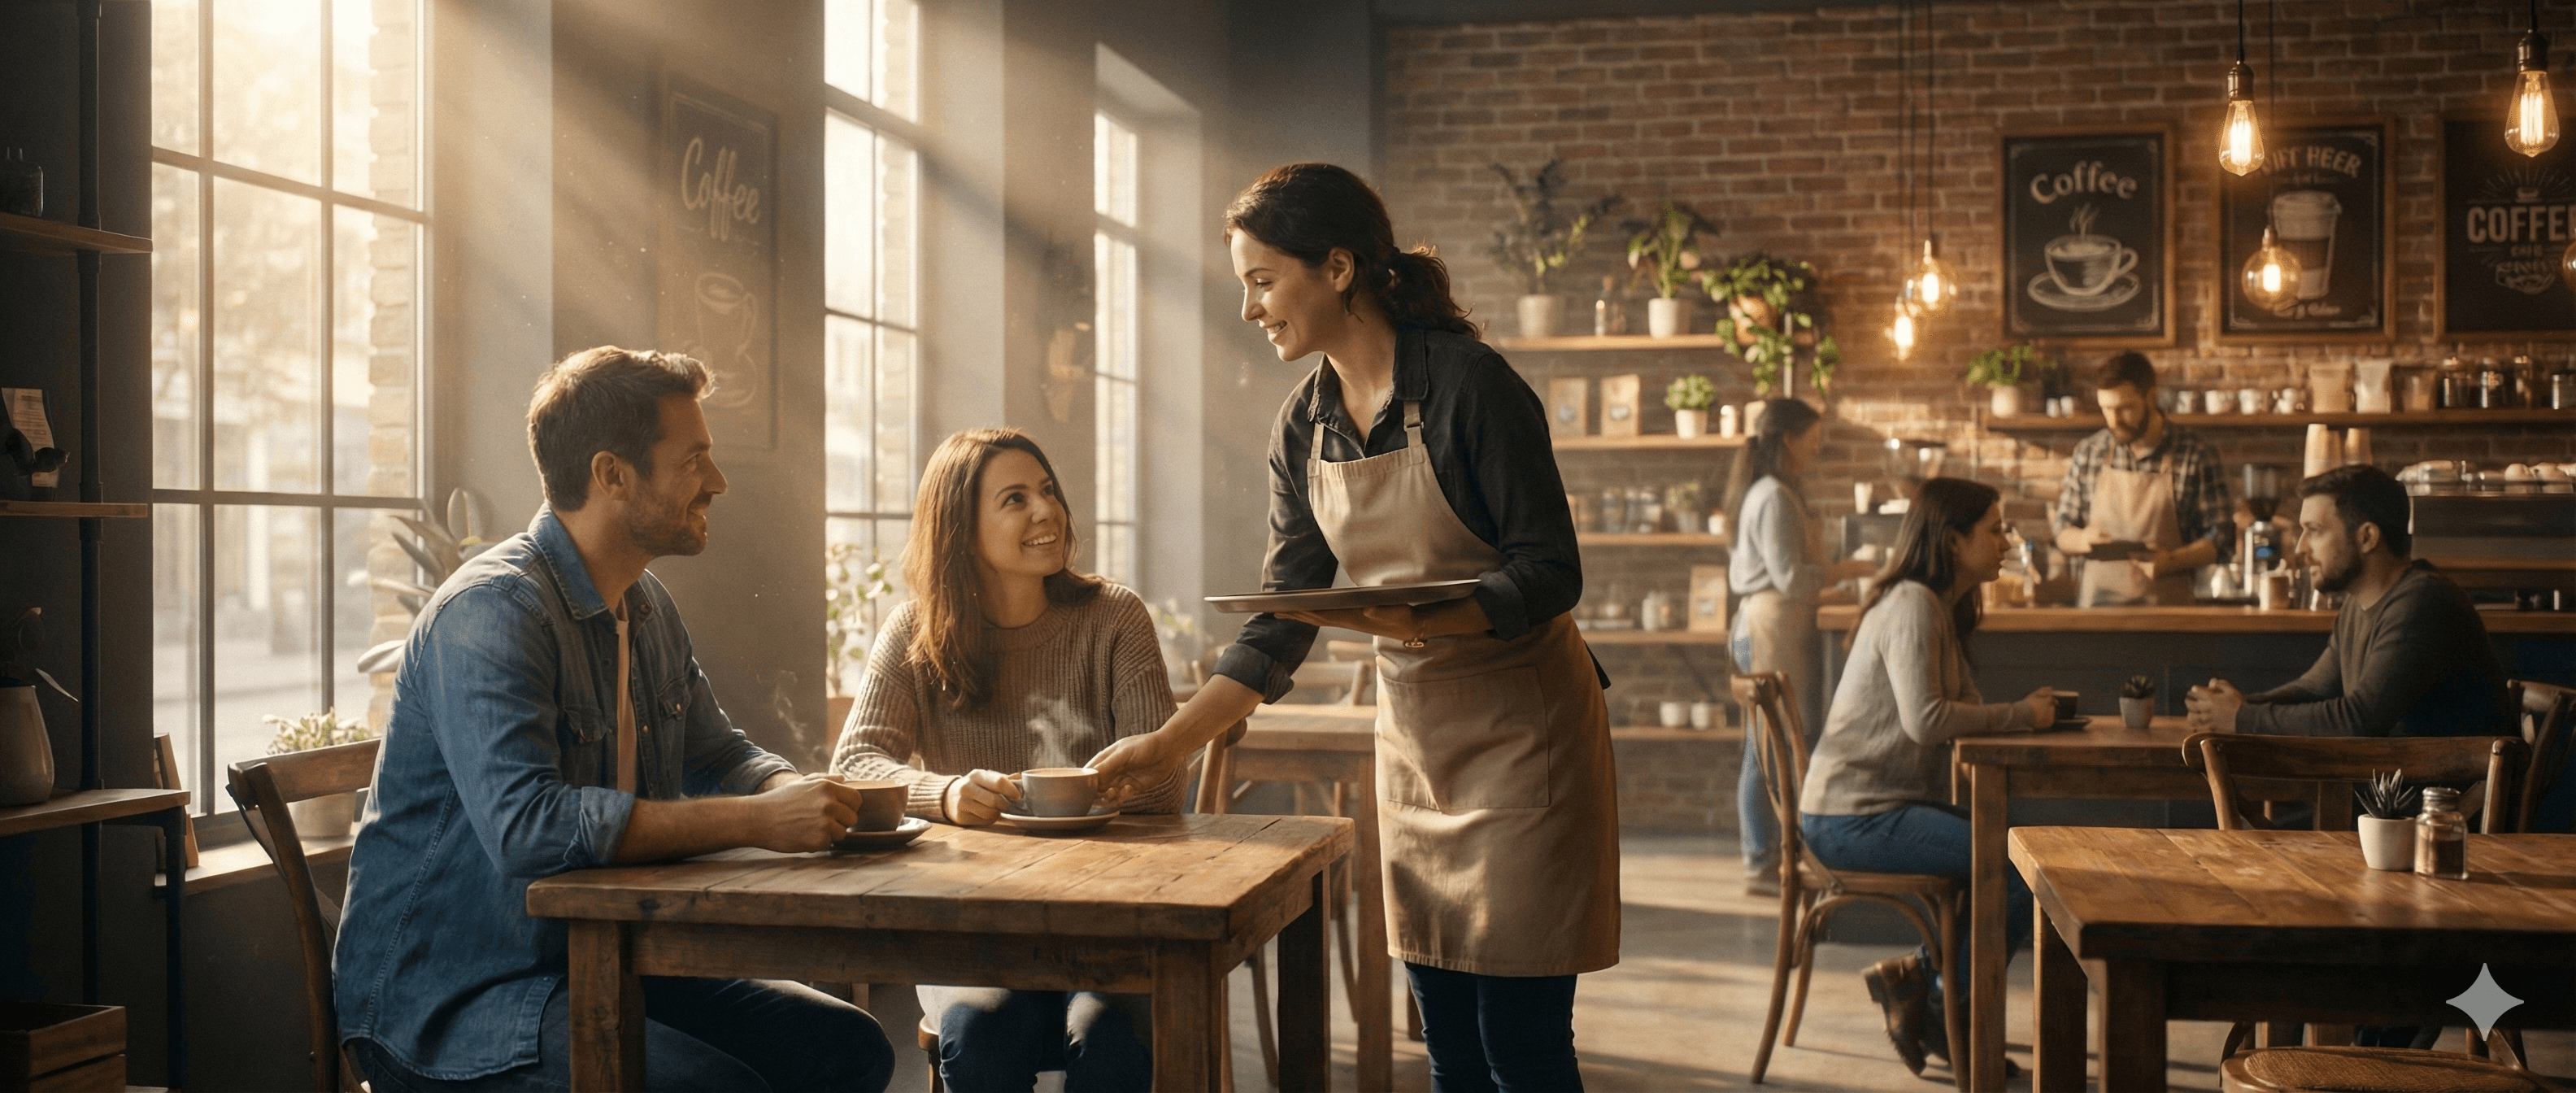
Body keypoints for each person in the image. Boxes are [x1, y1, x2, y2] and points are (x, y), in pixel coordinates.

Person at [1087, 162, 1618, 1093]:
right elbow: (1283, 618)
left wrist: (1419, 615)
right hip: (1414, 744)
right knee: (1447, 1044)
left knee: (1522, 1049)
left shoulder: (1472, 388)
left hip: (1527, 741)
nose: (1250, 309)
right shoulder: (1304, 426)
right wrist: (1168, 744)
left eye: (1262, 280)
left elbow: (1550, 569)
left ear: (1337, 268)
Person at [336, 347, 894, 1093]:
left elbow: (718, 751)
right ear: (612, 474)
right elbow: (528, 826)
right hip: (455, 998)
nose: (718, 482)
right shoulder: (491, 611)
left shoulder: (645, 602)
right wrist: (758, 823)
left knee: (846, 1045)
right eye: (694, 459)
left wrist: (796, 794)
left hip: (605, 959)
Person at [829, 427, 1182, 1091]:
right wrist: (947, 792)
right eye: (1015, 499)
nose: (1046, 511)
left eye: (1047, 491)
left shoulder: (1114, 618)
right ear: (961, 530)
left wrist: (1077, 796)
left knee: (1113, 1041)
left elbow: (1162, 788)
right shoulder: (915, 631)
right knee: (983, 1033)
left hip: (1111, 926)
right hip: (973, 930)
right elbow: (855, 762)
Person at [1799, 477, 2058, 1076]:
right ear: (1951, 540)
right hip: (1850, 819)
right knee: (2018, 867)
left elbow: (1960, 708)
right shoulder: (1913, 605)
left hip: (1873, 809)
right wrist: (2022, 715)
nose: (2006, 542)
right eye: (1994, 530)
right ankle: (1943, 1009)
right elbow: (1926, 721)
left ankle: (1918, 978)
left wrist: (2027, 717)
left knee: (2019, 850)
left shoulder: (1938, 606)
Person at [2187, 464, 2512, 738]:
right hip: (2389, 795)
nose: (2300, 549)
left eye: (2314, 531)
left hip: (2445, 808)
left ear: (2367, 537)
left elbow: (2360, 719)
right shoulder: (2358, 606)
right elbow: (2314, 690)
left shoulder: (2422, 603)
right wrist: (2234, 707)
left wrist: (2242, 718)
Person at [1722, 397, 1874, 895]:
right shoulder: (1774, 497)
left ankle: (1770, 857)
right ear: (1789, 439)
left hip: (1776, 626)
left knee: (1773, 745)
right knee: (1766, 748)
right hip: (1768, 627)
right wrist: (1850, 571)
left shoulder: (1775, 493)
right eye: (1812, 441)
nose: (1816, 450)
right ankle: (1760, 862)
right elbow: (1790, 579)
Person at [2052, 351, 2233, 606]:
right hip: (2097, 615)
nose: (2113, 421)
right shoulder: (2089, 452)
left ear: (2151, 396)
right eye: (2106, 409)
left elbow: (2222, 539)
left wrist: (2172, 561)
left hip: (2169, 618)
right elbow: (2061, 530)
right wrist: (2082, 540)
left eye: (2124, 409)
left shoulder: (2195, 453)